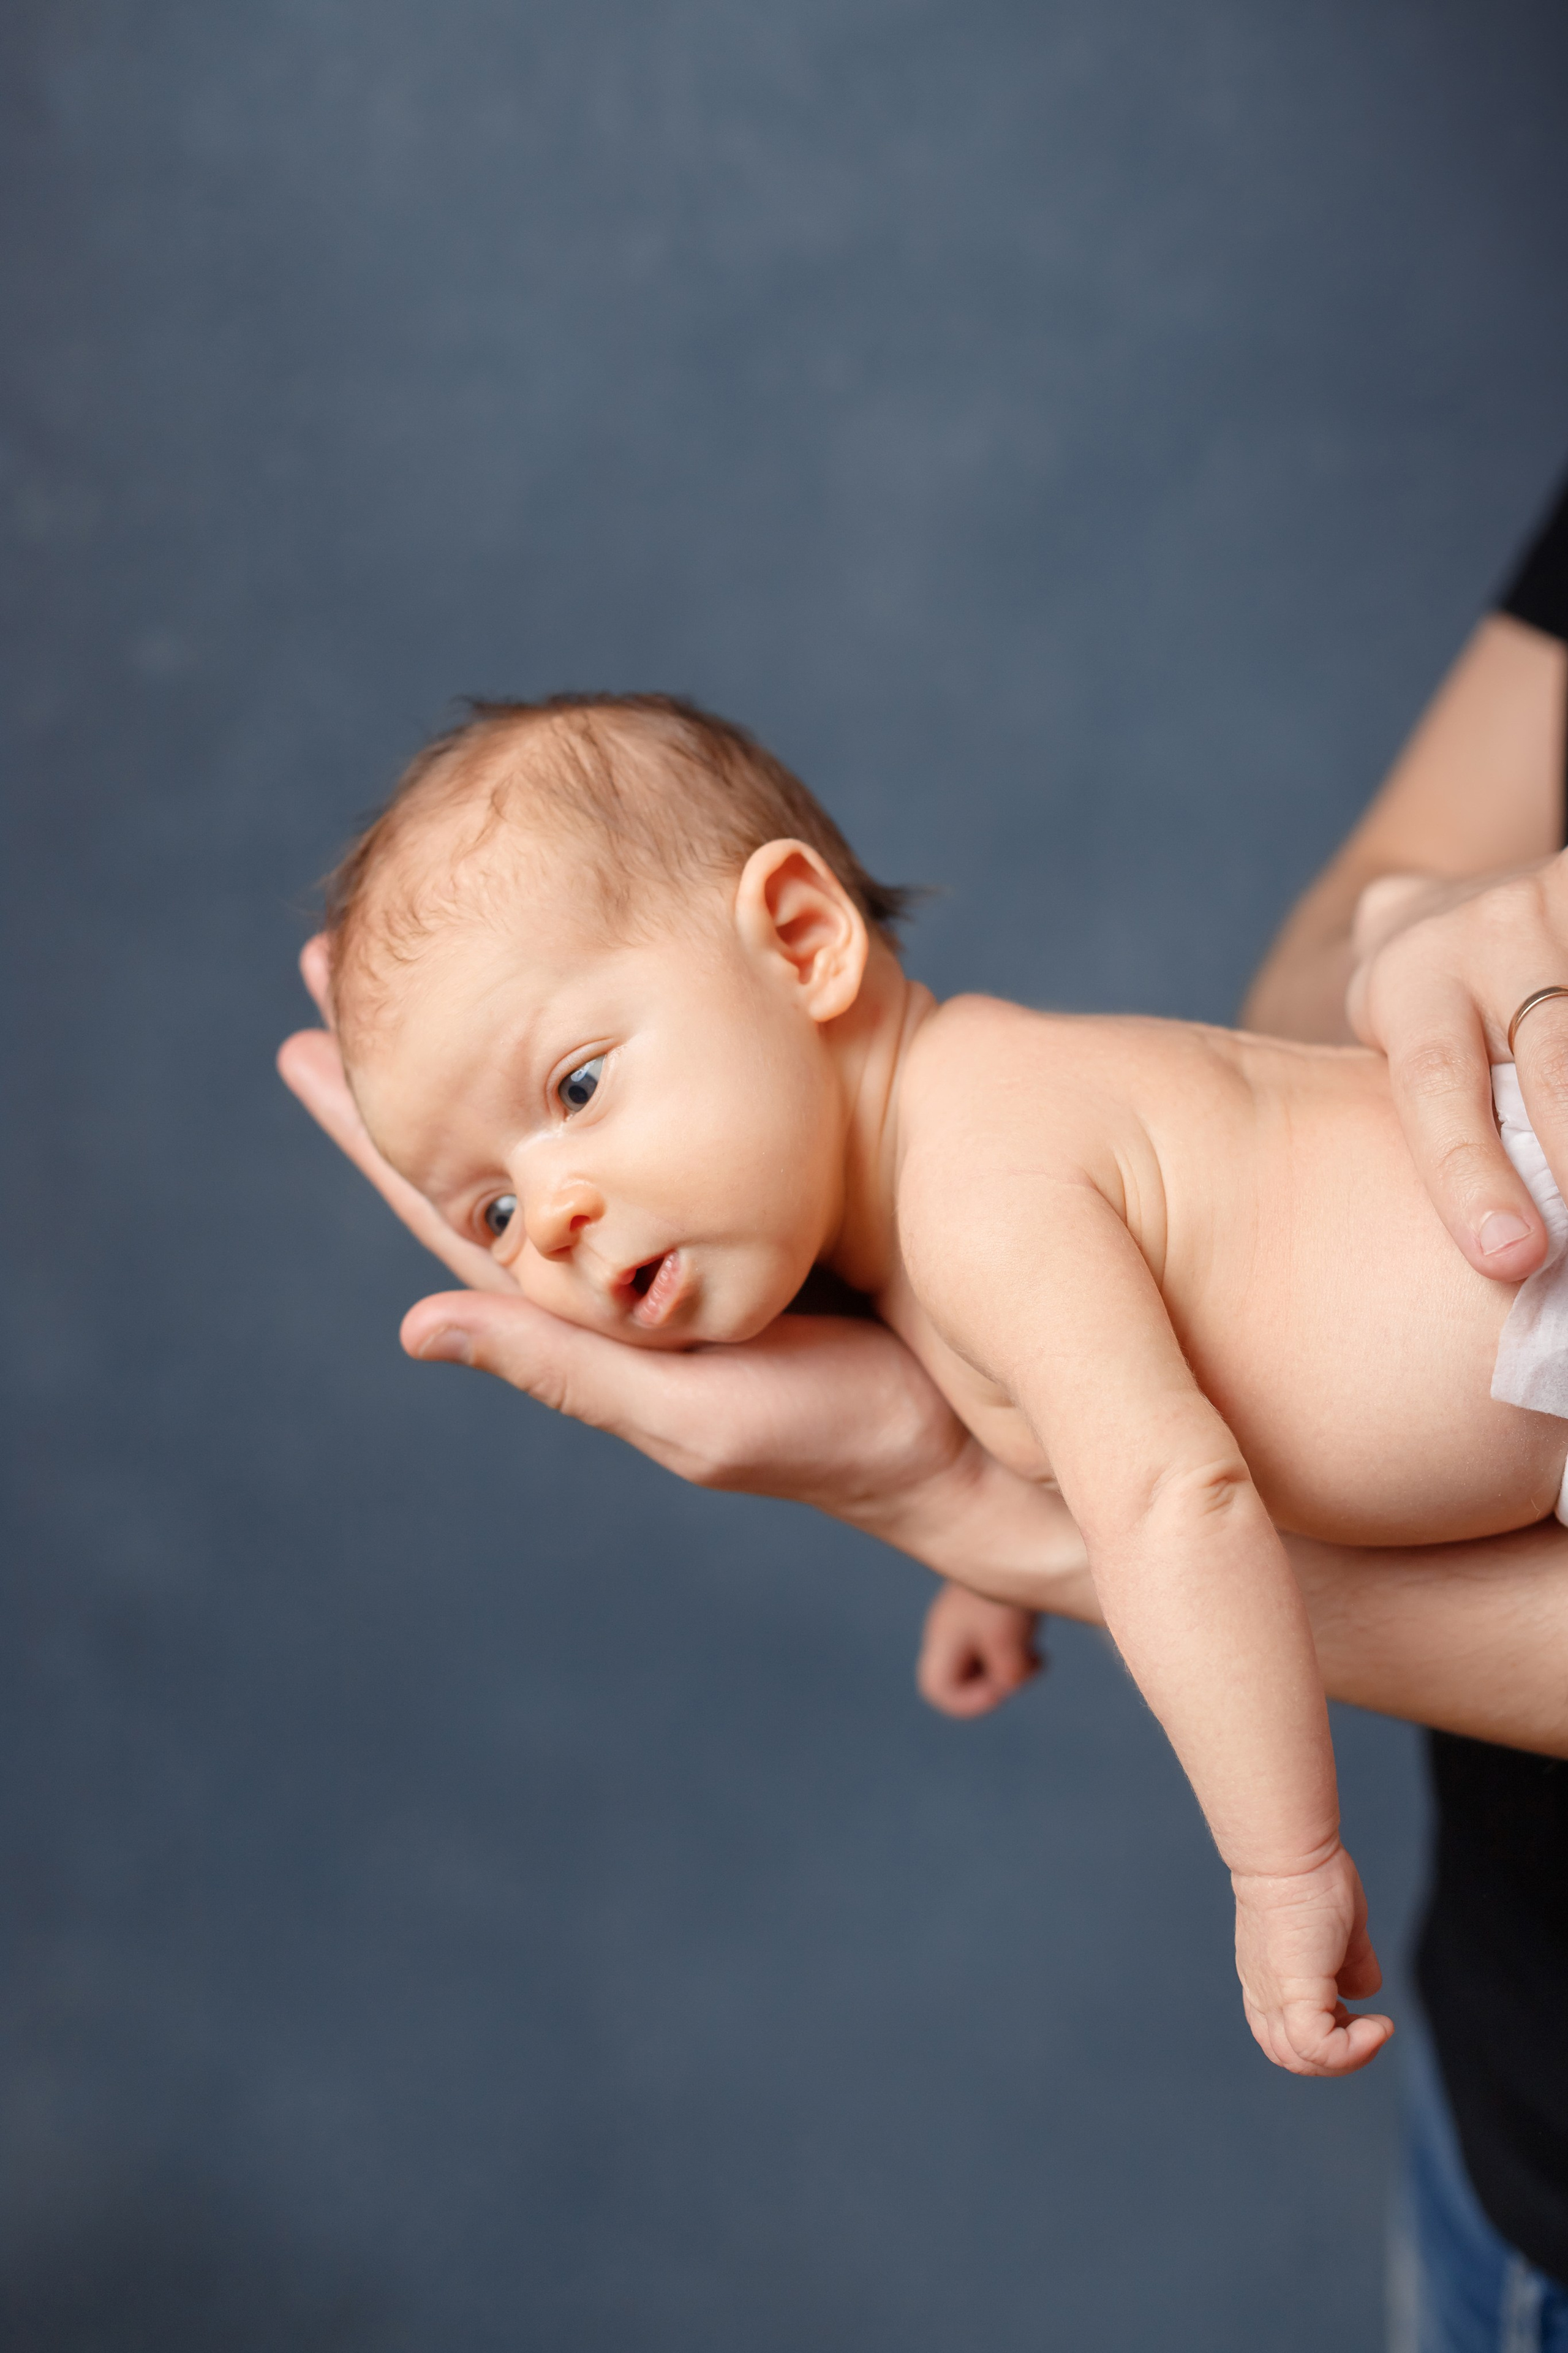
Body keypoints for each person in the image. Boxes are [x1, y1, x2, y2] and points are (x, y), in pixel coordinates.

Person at [277, 488, 1568, 2336]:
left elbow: (1178, 1493)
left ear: (801, 939)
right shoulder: (936, 1218)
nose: (545, 1217)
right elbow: (1088, 1405)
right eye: (487, 1209)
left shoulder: (976, 1173)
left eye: (573, 1083)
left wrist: (1283, 1857)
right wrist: (996, 1548)